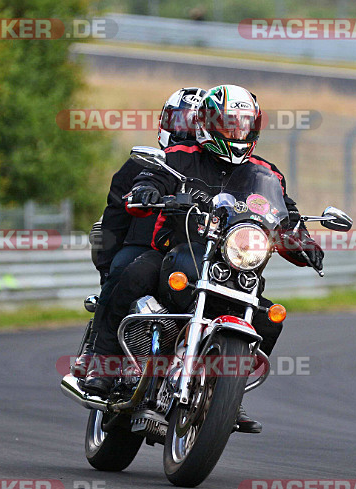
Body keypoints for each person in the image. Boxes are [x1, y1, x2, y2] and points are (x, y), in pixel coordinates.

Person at [83, 85, 324, 433]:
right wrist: (147, 190)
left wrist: (303, 242)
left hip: (232, 264)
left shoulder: (266, 173)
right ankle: (102, 362)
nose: (236, 132)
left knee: (268, 320)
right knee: (132, 275)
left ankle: (225, 392)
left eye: (243, 124)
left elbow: (286, 214)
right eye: (228, 124)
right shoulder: (180, 155)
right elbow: (153, 175)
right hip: (177, 252)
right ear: (207, 122)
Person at [72, 87, 207, 378]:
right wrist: (106, 266)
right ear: (165, 122)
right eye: (179, 122)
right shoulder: (141, 164)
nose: (185, 132)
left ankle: (221, 387)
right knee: (122, 269)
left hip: (193, 256)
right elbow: (114, 220)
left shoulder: (210, 170)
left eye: (193, 125)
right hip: (142, 247)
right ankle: (96, 352)